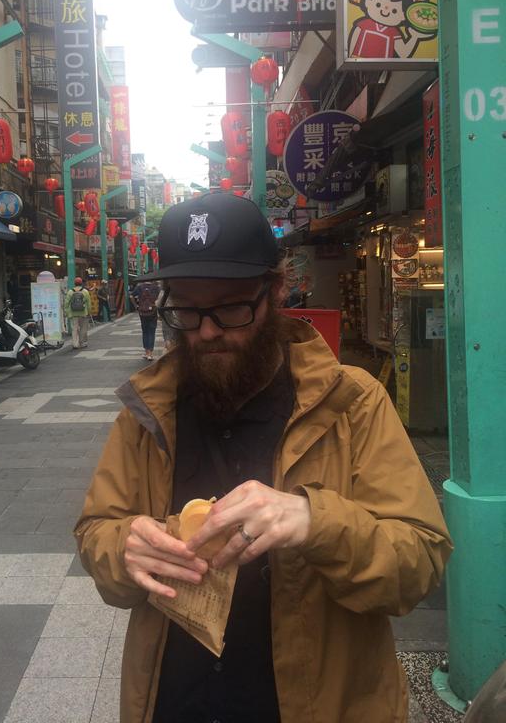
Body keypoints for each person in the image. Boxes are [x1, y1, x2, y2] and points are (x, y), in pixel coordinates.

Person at [75, 193, 452, 723]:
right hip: (173, 701)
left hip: (316, 703)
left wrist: (315, 520)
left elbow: (420, 561)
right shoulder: (146, 414)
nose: (207, 330)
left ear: (276, 290)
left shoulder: (352, 402)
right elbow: (98, 531)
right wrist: (124, 548)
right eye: (185, 308)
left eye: (231, 307)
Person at [130, 279, 160, 360]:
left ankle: (147, 352)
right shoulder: (156, 287)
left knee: (145, 331)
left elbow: (131, 296)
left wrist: (136, 306)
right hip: (153, 312)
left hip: (142, 312)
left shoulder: (139, 287)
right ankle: (150, 353)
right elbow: (160, 298)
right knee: (152, 332)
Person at [65, 277, 91, 350]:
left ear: (74, 283)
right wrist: (89, 312)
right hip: (83, 313)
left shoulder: (70, 292)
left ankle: (75, 344)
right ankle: (82, 343)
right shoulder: (85, 291)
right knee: (83, 328)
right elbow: (89, 303)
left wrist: (67, 312)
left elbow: (66, 303)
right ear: (81, 283)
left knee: (74, 329)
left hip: (73, 314)